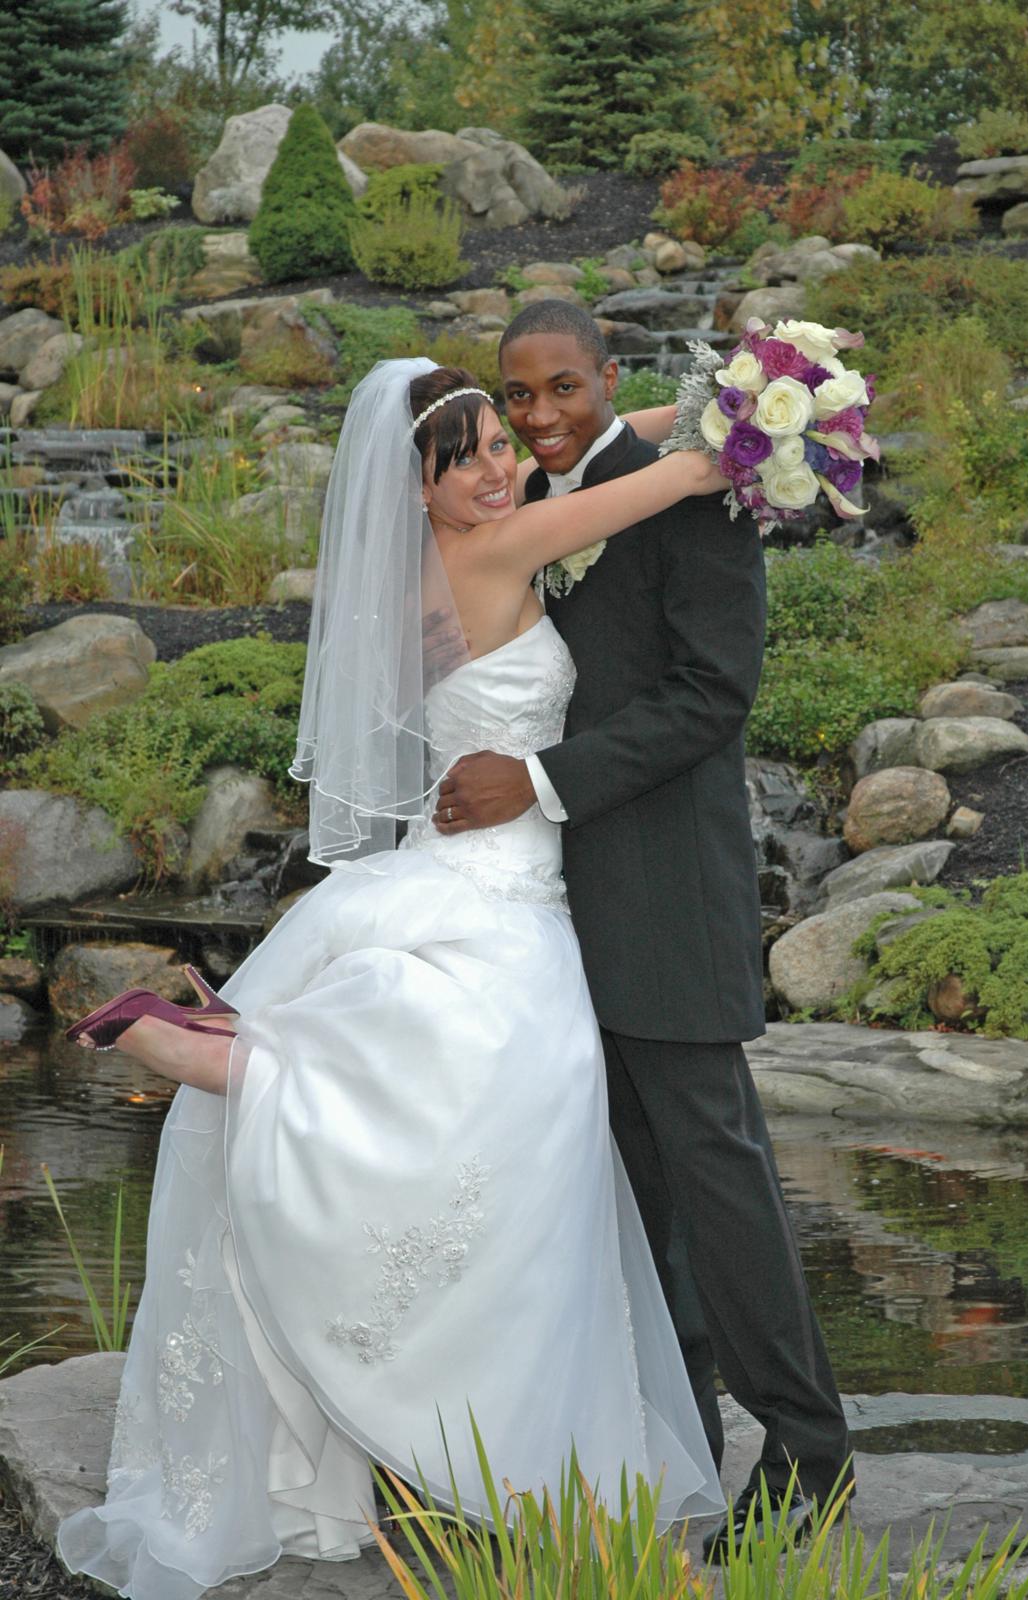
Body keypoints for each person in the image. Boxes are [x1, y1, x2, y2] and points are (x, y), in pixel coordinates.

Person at [57, 357, 728, 1600]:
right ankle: (231, 1060)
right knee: (525, 1143)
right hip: (504, 894)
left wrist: (716, 394)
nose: (497, 468)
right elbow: (669, 477)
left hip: (446, 862)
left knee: (450, 1114)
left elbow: (591, 437)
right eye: (461, 459)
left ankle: (222, 1047)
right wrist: (777, 424)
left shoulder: (433, 560)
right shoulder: (496, 550)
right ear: (415, 488)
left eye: (499, 444)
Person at [432, 301, 854, 1555]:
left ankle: (809, 1452)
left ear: (608, 376)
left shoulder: (697, 499)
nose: (540, 415)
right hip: (549, 914)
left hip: (665, 895)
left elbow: (712, 693)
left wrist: (539, 779)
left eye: (564, 386)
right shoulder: (532, 499)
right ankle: (678, 1440)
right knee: (632, 1193)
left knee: (719, 1188)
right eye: (519, 396)